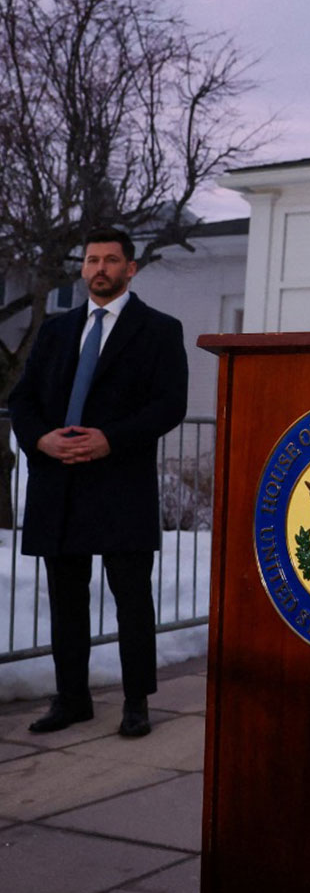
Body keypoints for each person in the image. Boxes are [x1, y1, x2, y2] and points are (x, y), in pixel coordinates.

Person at [8, 228, 189, 738]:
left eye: (112, 260)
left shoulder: (158, 329)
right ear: (83, 268)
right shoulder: (56, 330)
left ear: (131, 268)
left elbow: (169, 405)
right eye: (92, 260)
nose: (101, 268)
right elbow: (23, 401)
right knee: (66, 599)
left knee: (131, 597)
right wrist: (41, 440)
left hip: (119, 481)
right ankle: (72, 699)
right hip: (58, 482)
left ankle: (136, 703)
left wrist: (111, 439)